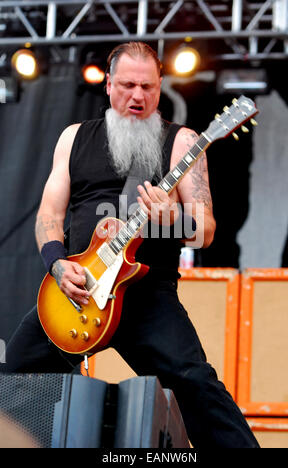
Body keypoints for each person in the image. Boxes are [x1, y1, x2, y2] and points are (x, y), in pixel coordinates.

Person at [2, 42, 259, 448]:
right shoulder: (74, 138)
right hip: (77, 290)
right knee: (13, 376)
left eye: (147, 86)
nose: (137, 96)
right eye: (126, 85)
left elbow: (205, 231)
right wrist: (56, 264)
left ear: (160, 87)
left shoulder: (183, 142)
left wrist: (169, 218)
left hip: (147, 296)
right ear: (107, 85)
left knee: (196, 384)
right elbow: (49, 216)